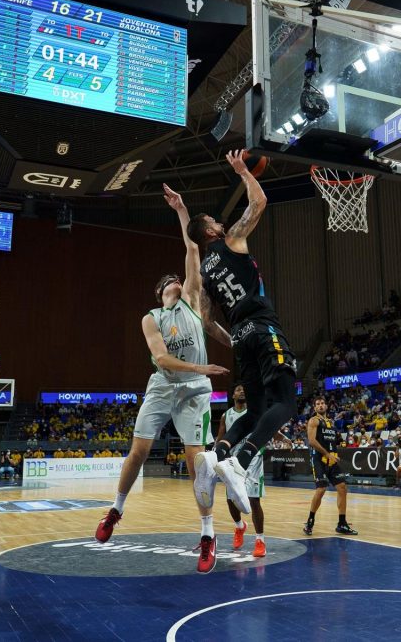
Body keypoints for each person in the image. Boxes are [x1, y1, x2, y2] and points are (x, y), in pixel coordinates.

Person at [94, 184, 230, 575]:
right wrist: (202, 368)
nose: (177, 281)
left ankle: (208, 534)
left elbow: (192, 249)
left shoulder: (192, 300)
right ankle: (116, 510)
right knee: (139, 450)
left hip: (194, 393)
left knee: (196, 462)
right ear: (160, 293)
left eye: (179, 279)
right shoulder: (151, 318)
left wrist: (182, 210)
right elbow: (162, 359)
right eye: (169, 281)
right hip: (165, 384)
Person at [187, 151, 299, 516]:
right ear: (210, 232)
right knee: (285, 402)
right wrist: (242, 172)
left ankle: (216, 454)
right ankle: (241, 460)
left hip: (241, 338)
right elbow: (259, 201)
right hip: (263, 327)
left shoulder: (204, 274)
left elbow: (207, 323)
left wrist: (234, 339)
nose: (220, 222)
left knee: (254, 412)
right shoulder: (231, 239)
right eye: (214, 221)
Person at [217, 385, 290, 558]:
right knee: (231, 499)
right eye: (238, 389)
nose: (242, 391)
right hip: (233, 459)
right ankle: (239, 526)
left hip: (254, 458)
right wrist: (216, 453)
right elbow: (221, 437)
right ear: (233, 395)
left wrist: (285, 439)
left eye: (244, 389)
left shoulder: (257, 413)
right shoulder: (226, 415)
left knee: (254, 499)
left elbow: (270, 430)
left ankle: (260, 540)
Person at [302, 396, 358, 536]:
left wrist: (335, 451)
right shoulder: (314, 420)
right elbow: (312, 441)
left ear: (326, 406)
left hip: (332, 459)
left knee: (342, 487)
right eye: (318, 404)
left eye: (322, 403)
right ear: (315, 407)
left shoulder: (331, 423)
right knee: (321, 489)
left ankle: (342, 523)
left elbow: (330, 441)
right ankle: (310, 521)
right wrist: (327, 454)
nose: (321, 405)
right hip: (319, 459)